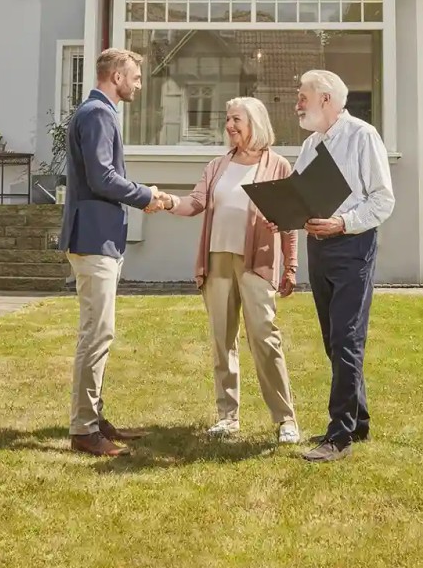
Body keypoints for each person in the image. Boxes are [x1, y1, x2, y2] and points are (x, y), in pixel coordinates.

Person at [59, 48, 175, 457]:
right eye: (136, 77)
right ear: (116, 77)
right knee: (97, 334)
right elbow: (102, 176)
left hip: (97, 237)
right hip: (93, 239)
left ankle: (93, 417)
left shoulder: (96, 112)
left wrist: (144, 195)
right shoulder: (98, 114)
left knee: (98, 332)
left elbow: (104, 175)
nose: (139, 84)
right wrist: (146, 196)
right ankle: (85, 429)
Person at [165, 97, 300, 444]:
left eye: (236, 119)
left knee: (264, 338)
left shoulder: (278, 165)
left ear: (254, 122)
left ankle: (285, 419)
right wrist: (165, 201)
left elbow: (289, 221)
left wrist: (291, 266)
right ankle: (227, 416)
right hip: (217, 260)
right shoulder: (217, 166)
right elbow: (195, 202)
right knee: (222, 340)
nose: (230, 125)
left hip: (257, 260)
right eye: (227, 120)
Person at [292, 70, 394, 463]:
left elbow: (383, 201)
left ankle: (339, 437)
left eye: (303, 96)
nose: (298, 102)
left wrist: (342, 223)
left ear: (327, 99)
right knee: (333, 339)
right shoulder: (310, 145)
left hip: (352, 246)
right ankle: (358, 421)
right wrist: (286, 211)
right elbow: (300, 193)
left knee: (347, 339)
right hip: (318, 247)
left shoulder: (362, 136)